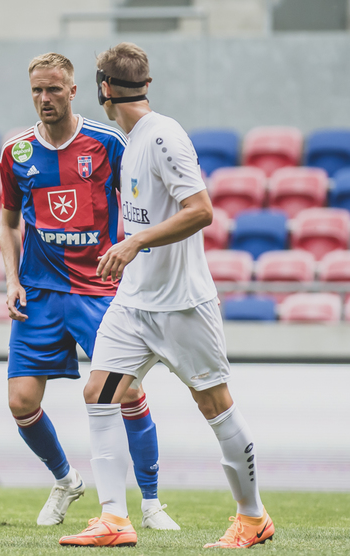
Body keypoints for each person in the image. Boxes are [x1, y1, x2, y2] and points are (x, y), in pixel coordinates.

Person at [59, 42, 273, 548]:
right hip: (134, 303)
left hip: (182, 305)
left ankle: (253, 517)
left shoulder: (163, 136)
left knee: (215, 405)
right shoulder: (131, 139)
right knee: (99, 393)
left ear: (103, 88)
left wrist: (133, 242)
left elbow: (201, 210)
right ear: (146, 84)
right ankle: (114, 519)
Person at [0, 53, 177, 530]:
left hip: (98, 291)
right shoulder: (16, 152)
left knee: (128, 392)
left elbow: (142, 204)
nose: (45, 98)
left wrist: (138, 261)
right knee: (20, 402)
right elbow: (9, 222)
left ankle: (151, 503)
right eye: (37, 90)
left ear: (74, 91)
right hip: (38, 294)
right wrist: (12, 280)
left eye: (54, 89)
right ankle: (65, 480)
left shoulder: (108, 143)